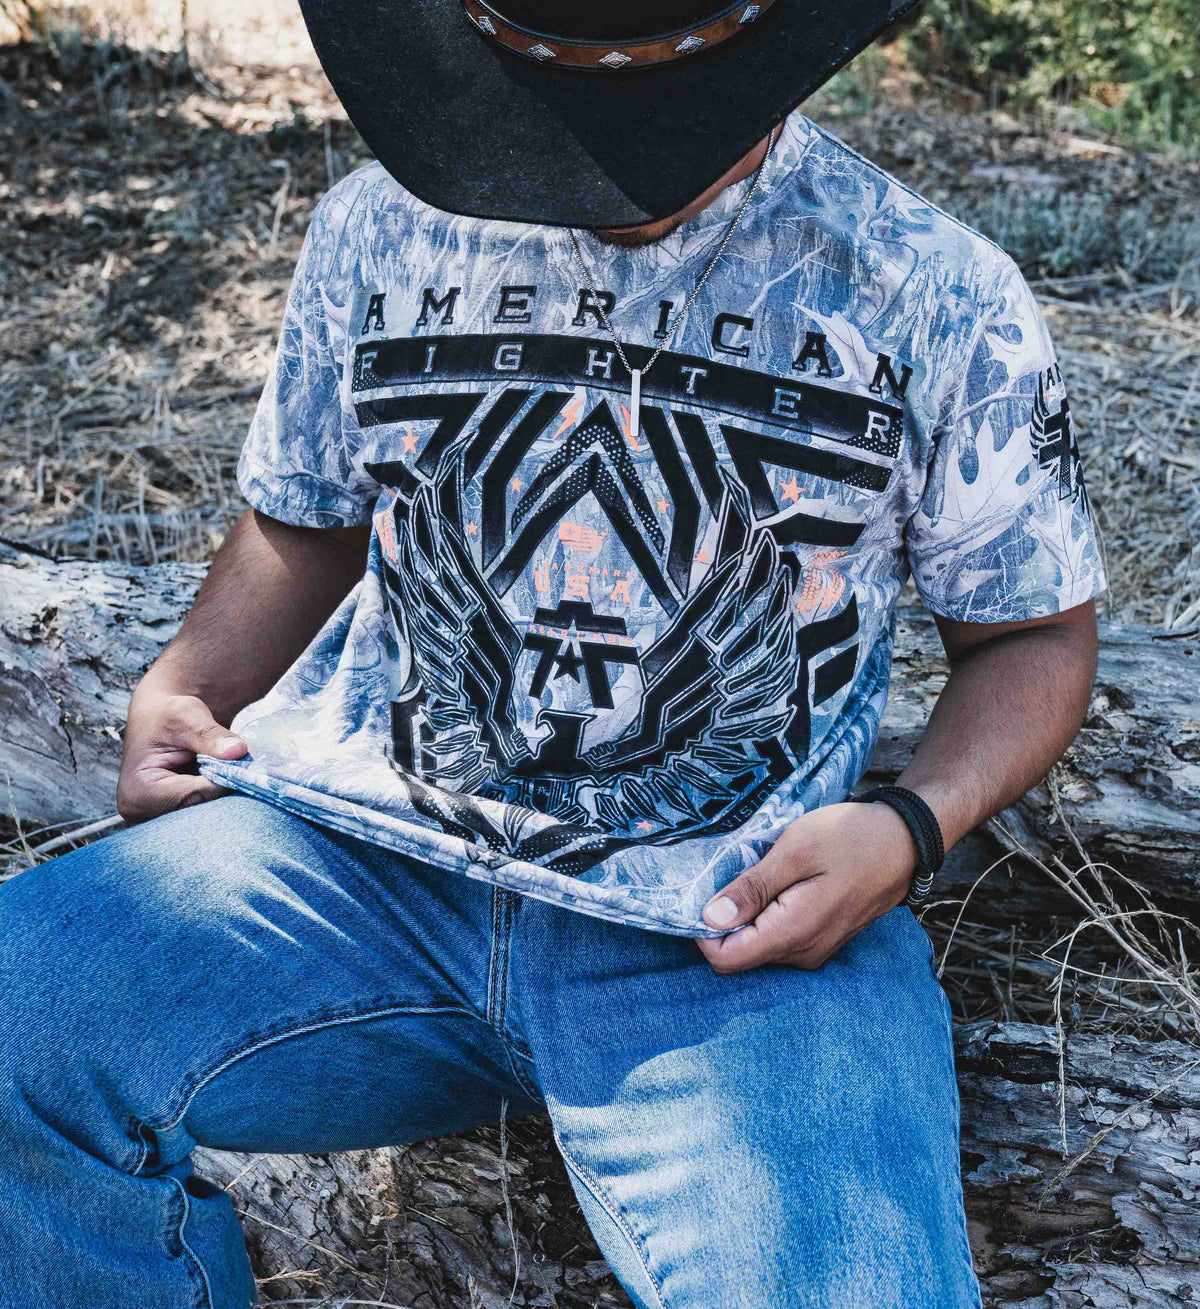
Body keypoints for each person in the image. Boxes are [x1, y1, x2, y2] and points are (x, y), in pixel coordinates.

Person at [0, 2, 1104, 1306]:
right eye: (554, 122)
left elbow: (1034, 635)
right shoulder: (378, 224)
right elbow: (306, 514)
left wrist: (910, 826)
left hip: (727, 928)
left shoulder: (934, 287)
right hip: (357, 868)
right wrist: (192, 677)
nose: (597, 174)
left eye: (646, 127)